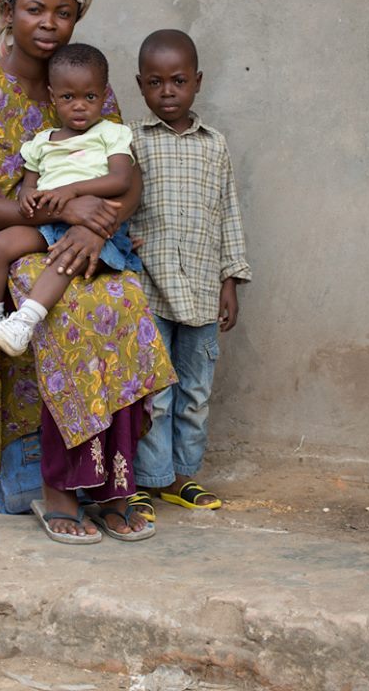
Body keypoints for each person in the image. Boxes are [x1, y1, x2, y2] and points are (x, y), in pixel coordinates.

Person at [0, 0, 176, 544]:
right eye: (34, 8)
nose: (49, 23)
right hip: (11, 244)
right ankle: (61, 491)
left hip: (91, 239)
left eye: (65, 11)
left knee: (125, 305)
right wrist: (68, 210)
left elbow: (128, 183)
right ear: (7, 8)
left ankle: (117, 485)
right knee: (70, 313)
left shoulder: (87, 83)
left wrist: (89, 226)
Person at [126, 29, 251, 522]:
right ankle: (146, 478)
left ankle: (182, 476)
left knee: (194, 391)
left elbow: (227, 214)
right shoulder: (131, 141)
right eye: (155, 83)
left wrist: (231, 280)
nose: (168, 92)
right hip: (149, 290)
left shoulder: (214, 145)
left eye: (178, 81)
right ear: (140, 86)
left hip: (201, 290)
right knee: (152, 392)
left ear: (197, 82)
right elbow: (117, 205)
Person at [0, 42, 142, 362]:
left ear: (103, 96)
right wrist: (28, 198)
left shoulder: (111, 133)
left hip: (92, 224)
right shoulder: (42, 142)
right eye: (69, 97)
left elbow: (122, 179)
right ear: (54, 97)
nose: (79, 106)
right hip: (49, 221)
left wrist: (73, 191)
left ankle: (24, 324)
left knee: (63, 261)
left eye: (90, 97)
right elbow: (30, 184)